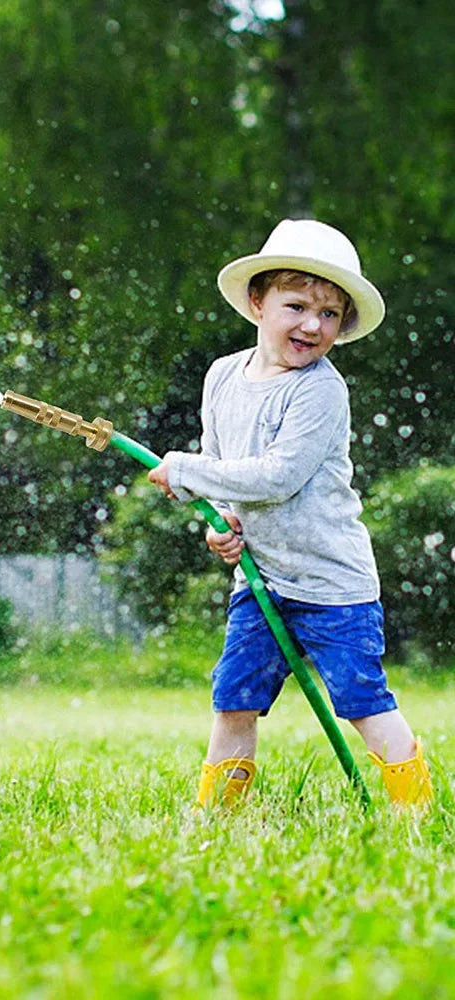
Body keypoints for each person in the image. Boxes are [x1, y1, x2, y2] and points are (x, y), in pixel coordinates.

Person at [146, 218, 432, 810]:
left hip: (334, 585)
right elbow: (224, 469)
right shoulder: (223, 376)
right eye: (296, 305)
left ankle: (417, 814)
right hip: (260, 581)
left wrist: (186, 469)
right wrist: (221, 525)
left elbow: (277, 477)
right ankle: (217, 821)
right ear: (257, 301)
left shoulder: (320, 390)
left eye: (329, 314)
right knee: (234, 698)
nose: (312, 324)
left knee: (361, 700)